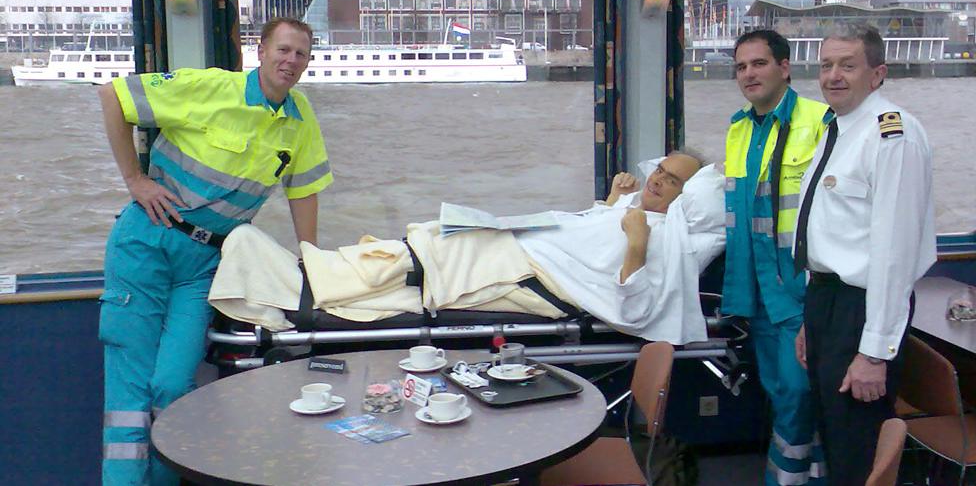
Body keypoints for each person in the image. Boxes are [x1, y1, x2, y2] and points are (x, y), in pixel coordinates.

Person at [98, 17, 333, 485]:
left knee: (173, 383)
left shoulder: (300, 119)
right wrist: (135, 180)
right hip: (145, 242)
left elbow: (303, 191)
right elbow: (114, 96)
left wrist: (313, 266)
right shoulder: (210, 88)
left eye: (301, 54)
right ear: (260, 51)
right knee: (129, 394)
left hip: (205, 262)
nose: (290, 61)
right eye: (282, 50)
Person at [209, 152, 727, 345]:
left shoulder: (661, 240)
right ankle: (318, 275)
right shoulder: (629, 209)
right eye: (660, 168)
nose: (659, 178)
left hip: (535, 277)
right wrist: (612, 203)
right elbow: (583, 233)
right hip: (523, 245)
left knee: (428, 258)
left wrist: (634, 247)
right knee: (432, 238)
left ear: (684, 199)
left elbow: (634, 310)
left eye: (674, 179)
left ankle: (308, 290)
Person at [793, 23, 935, 484]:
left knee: (858, 447)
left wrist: (874, 353)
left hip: (862, 308)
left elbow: (894, 255)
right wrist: (809, 322)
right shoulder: (837, 130)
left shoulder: (893, 136)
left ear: (877, 74)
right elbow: (833, 236)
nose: (833, 75)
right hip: (827, 302)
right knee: (833, 433)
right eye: (826, 65)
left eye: (847, 65)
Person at [721, 30, 830, 485]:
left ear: (784, 67)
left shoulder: (822, 121)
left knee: (800, 395)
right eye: (742, 67)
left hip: (801, 291)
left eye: (759, 63)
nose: (749, 74)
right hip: (759, 294)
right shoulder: (738, 129)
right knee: (783, 393)